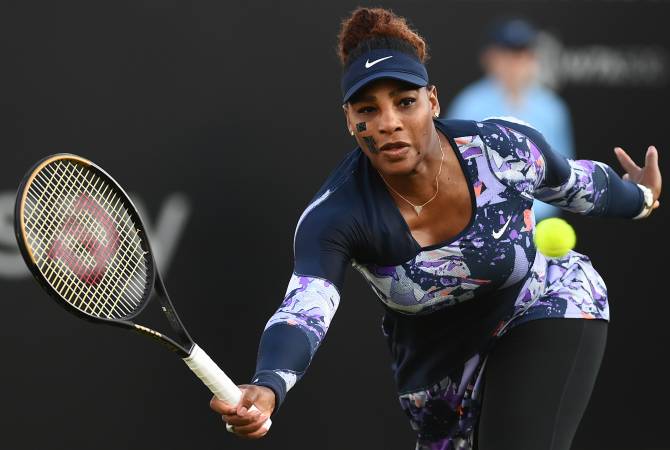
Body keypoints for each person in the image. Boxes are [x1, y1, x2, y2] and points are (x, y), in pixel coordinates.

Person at [209, 8, 662, 450]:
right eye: (368, 109)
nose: (388, 123)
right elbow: (304, 310)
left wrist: (640, 196)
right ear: (349, 120)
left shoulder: (500, 148)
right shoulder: (335, 216)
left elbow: (577, 184)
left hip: (543, 303)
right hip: (439, 375)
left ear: (433, 101)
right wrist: (269, 385)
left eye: (405, 102)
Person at [447, 18, 575, 222]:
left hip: (541, 222)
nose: (515, 63)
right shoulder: (468, 104)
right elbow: (452, 171)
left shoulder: (552, 108)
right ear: (489, 58)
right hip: (485, 221)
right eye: (507, 54)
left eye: (522, 54)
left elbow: (564, 172)